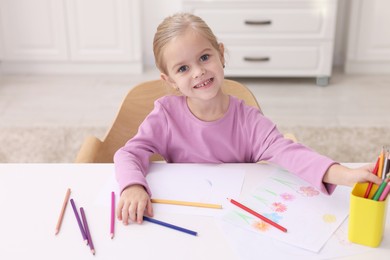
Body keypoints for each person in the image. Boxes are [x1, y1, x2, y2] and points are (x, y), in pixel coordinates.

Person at [114, 13, 382, 225]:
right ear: (169, 80)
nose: (198, 72)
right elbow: (128, 153)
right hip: (185, 213)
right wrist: (133, 186)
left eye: (204, 57)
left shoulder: (248, 120)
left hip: (236, 215)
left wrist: (345, 174)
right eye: (183, 68)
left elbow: (290, 153)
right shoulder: (165, 115)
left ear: (220, 54)